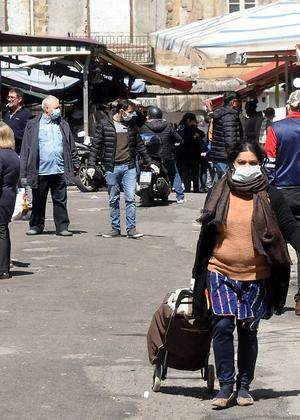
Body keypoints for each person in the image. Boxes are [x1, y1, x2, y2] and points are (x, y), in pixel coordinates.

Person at [192, 141, 300, 408]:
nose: (248, 168)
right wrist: (199, 271)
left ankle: (243, 387)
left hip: (257, 275)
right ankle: (225, 387)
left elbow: (290, 229)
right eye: (242, 162)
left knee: (248, 330)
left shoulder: (271, 196)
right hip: (220, 270)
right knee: (223, 325)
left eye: (253, 163)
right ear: (232, 163)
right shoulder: (219, 193)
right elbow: (206, 235)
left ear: (261, 164)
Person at [87, 99, 157, 239]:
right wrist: (91, 165)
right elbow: (95, 146)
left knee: (130, 199)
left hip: (129, 167)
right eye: (130, 112)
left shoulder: (131, 125)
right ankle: (115, 228)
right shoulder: (105, 124)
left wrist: (150, 163)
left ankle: (131, 229)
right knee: (113, 199)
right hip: (111, 168)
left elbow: (140, 145)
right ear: (121, 111)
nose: (132, 115)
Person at [20, 95, 80, 236]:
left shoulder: (63, 124)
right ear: (46, 109)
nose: (59, 109)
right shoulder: (33, 125)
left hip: (59, 169)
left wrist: (75, 161)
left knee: (60, 200)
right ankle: (36, 225)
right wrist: (23, 173)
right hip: (40, 170)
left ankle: (62, 227)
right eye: (56, 107)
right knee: (38, 201)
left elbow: (71, 145)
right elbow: (26, 149)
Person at [265, 90, 300, 315]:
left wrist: (266, 191)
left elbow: (270, 165)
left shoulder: (275, 129)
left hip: (282, 194)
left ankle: (275, 299)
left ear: (289, 106)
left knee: (277, 246)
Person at [140, 106, 185, 203]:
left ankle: (141, 191)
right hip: (166, 156)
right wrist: (176, 143)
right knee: (175, 174)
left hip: (148, 157)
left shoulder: (143, 126)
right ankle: (180, 196)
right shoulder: (168, 125)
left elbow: (139, 140)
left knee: (139, 170)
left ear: (149, 115)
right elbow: (178, 138)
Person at [0, 122, 20, 278]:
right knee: (3, 231)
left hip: (1, 197)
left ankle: (2, 269)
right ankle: (4, 268)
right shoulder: (13, 155)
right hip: (9, 197)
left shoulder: (1, 155)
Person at [209, 92, 242, 182]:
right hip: (225, 156)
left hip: (219, 154)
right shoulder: (229, 116)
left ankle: (212, 196)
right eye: (238, 101)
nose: (240, 104)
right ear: (233, 102)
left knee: (218, 183)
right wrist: (233, 156)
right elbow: (230, 139)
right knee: (225, 183)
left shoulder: (221, 113)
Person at [177, 113, 203, 193]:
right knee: (195, 173)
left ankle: (188, 188)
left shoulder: (181, 128)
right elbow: (202, 134)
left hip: (184, 154)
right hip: (193, 154)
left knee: (186, 173)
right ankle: (196, 189)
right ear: (189, 120)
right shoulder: (192, 129)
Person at [3, 88, 32, 155]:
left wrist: (9, 133)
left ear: (19, 99)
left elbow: (28, 134)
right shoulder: (7, 114)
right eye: (8, 97)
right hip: (5, 151)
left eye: (12, 97)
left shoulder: (26, 114)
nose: (9, 99)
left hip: (18, 153)